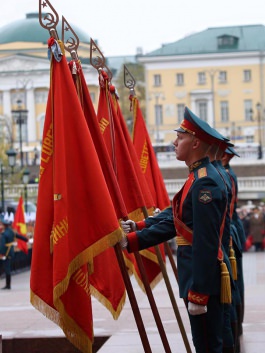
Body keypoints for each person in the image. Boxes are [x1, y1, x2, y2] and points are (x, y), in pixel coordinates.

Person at [120, 107, 231, 353]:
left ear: (195, 143)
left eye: (180, 137)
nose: (174, 141)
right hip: (197, 275)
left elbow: (205, 241)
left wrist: (199, 293)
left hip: (202, 279)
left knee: (208, 346)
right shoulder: (198, 177)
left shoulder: (205, 181)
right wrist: (138, 230)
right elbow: (177, 217)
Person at [0, 215, 15, 290]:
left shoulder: (4, 234)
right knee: (7, 268)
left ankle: (8, 285)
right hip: (10, 251)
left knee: (6, 269)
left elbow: (2, 245)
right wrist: (26, 240)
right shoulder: (11, 231)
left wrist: (1, 253)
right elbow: (18, 236)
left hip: (5, 253)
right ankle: (8, 284)